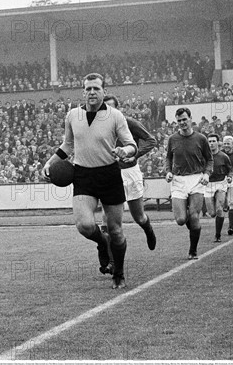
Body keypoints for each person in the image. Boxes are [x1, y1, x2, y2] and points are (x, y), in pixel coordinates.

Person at [42, 73, 137, 289]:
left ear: (104, 91)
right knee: (84, 225)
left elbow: (132, 144)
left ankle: (119, 274)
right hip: (83, 175)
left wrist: (125, 150)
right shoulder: (72, 115)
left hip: (109, 175)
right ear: (83, 91)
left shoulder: (116, 116)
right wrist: (50, 162)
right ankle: (102, 243)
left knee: (116, 230)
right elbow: (67, 145)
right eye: (88, 89)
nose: (92, 92)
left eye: (96, 88)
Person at [102, 95, 157, 253]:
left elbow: (150, 140)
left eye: (112, 108)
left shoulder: (129, 123)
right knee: (108, 218)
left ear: (118, 109)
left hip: (129, 172)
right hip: (109, 173)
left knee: (138, 217)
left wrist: (135, 155)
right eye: (104, 108)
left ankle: (147, 228)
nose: (108, 112)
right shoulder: (98, 126)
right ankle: (110, 258)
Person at [165, 107, 213, 259]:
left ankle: (193, 251)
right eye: (179, 120)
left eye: (185, 119)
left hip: (196, 179)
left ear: (191, 119)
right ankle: (191, 225)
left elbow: (209, 159)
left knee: (194, 215)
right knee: (180, 220)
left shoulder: (201, 138)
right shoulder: (173, 139)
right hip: (178, 180)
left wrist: (206, 173)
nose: (182, 123)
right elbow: (168, 157)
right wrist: (168, 171)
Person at [204, 134, 232, 242]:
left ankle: (218, 235)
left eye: (213, 141)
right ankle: (215, 209)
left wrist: (229, 177)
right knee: (212, 213)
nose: (211, 143)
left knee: (219, 209)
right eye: (209, 141)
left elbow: (230, 169)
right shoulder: (204, 157)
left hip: (221, 183)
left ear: (218, 143)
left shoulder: (224, 156)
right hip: (208, 184)